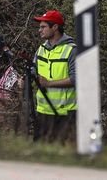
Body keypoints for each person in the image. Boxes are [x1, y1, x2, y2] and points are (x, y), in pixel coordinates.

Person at [32, 9, 77, 142]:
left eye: (43, 27)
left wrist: (49, 84)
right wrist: (25, 80)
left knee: (62, 154)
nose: (40, 30)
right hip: (43, 112)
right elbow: (34, 72)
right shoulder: (41, 49)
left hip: (65, 113)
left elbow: (76, 79)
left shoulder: (71, 50)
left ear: (55, 27)